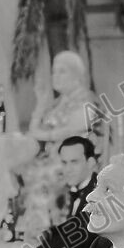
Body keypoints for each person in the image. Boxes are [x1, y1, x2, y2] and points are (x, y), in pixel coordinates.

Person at [20, 51, 104, 236]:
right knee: (24, 169)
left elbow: (68, 131)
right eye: (54, 72)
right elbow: (35, 130)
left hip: (76, 156)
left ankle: (51, 230)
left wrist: (43, 134)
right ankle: (36, 230)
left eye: (62, 71)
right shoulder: (57, 102)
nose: (55, 77)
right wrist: (41, 103)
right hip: (55, 156)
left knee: (43, 174)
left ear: (76, 75)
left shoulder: (87, 99)